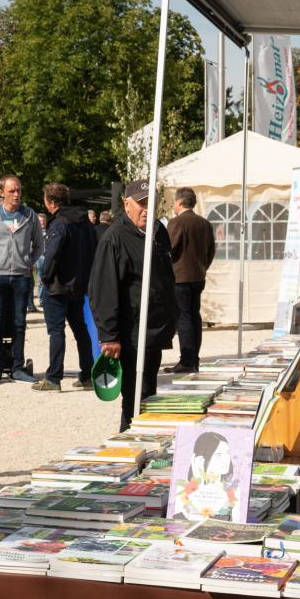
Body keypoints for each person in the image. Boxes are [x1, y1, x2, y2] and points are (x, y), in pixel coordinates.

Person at [89, 179, 177, 430]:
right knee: (135, 397)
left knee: (148, 393)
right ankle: (128, 444)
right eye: (141, 203)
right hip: (131, 334)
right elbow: (103, 290)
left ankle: (142, 443)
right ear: (127, 204)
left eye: (152, 202)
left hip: (154, 330)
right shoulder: (114, 238)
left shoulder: (158, 231)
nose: (147, 209)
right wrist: (109, 336)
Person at [0, 174, 44, 384]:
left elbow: (39, 244)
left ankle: (17, 366)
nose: (17, 194)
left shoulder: (29, 216)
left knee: (19, 322)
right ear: (1, 192)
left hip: (21, 277)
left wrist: (28, 261)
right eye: (12, 191)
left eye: (19, 190)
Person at [32, 182, 97, 392]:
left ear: (50, 202)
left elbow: (52, 254)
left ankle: (53, 378)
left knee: (56, 331)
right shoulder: (84, 222)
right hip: (78, 284)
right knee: (81, 330)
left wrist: (45, 276)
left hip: (58, 285)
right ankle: (87, 374)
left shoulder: (59, 223)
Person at [166, 186, 216, 373]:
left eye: (174, 202)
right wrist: (203, 267)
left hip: (180, 277)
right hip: (198, 276)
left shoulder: (176, 223)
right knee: (194, 317)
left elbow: (169, 249)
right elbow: (211, 251)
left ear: (179, 202)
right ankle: (193, 359)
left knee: (184, 318)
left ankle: (187, 360)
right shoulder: (204, 223)